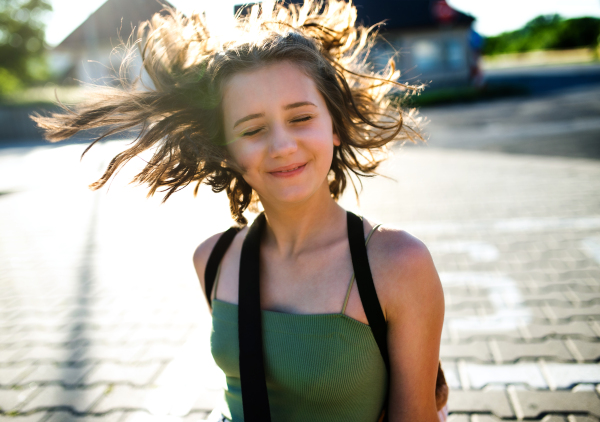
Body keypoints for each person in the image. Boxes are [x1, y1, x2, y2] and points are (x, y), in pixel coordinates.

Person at [33, 1, 447, 420]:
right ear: (227, 150)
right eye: (252, 129)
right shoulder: (213, 259)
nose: (282, 145)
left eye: (301, 118)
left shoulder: (397, 263)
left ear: (334, 126)